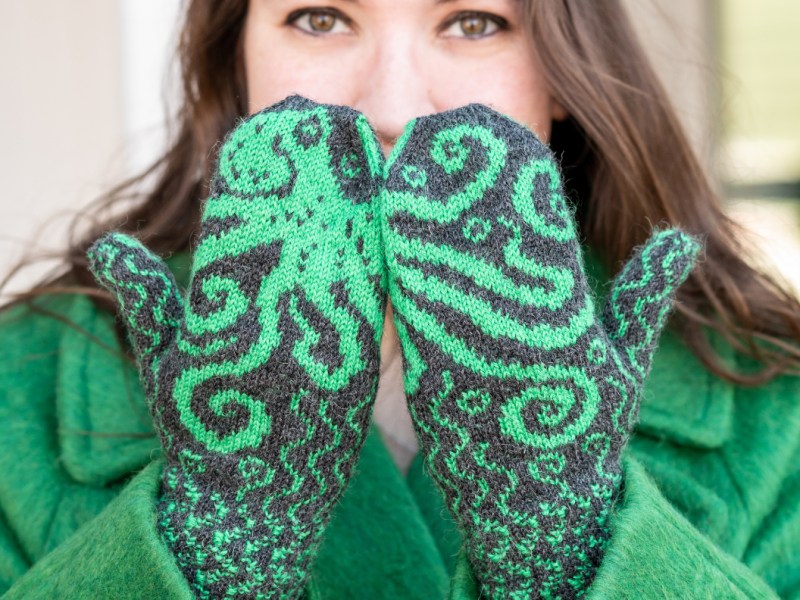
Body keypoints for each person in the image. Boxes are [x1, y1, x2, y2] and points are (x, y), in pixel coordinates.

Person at [0, 1, 798, 598]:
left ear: (564, 70)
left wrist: (568, 554)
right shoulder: (20, 385)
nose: (390, 105)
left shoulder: (776, 408)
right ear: (234, 56)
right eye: (319, 18)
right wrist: (213, 550)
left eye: (474, 22)